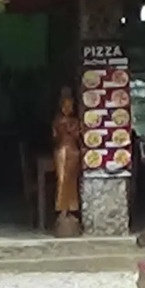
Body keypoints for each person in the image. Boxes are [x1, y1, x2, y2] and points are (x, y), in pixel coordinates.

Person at [52, 87, 82, 237]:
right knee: (62, 181)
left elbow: (77, 135)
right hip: (61, 151)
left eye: (70, 106)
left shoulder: (75, 121)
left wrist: (70, 129)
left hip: (73, 151)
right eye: (65, 106)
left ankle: (71, 208)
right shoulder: (57, 121)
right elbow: (55, 137)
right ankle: (62, 209)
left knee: (71, 181)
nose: (67, 109)